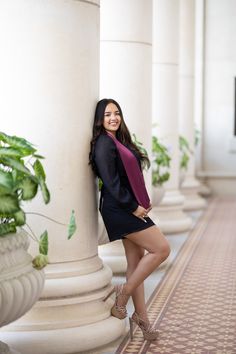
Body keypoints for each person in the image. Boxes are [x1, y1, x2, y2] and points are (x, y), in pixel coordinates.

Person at [89, 98, 170, 341]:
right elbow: (111, 183)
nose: (113, 118)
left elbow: (130, 176)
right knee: (162, 249)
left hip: (129, 206)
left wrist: (142, 201)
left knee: (135, 264)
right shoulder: (104, 143)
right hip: (119, 209)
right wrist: (134, 206)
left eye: (116, 113)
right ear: (99, 119)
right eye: (107, 114)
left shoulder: (118, 140)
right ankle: (122, 295)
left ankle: (142, 319)